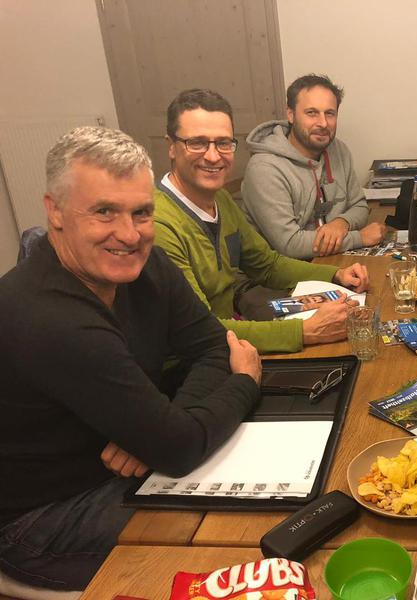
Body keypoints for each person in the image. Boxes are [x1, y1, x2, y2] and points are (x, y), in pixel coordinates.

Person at [0, 127, 263, 591]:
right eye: (104, 211)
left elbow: (209, 346)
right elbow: (180, 449)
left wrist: (158, 428)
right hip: (44, 519)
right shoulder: (51, 318)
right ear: (54, 211)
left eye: (141, 212)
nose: (129, 234)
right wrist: (244, 382)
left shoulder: (145, 264)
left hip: (133, 464)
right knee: (248, 532)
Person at [154, 89, 370, 354]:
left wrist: (336, 274)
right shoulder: (158, 226)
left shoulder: (220, 199)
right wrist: (305, 331)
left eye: (223, 143)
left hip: (227, 343)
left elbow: (268, 265)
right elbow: (199, 328)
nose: (213, 156)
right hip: (192, 361)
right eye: (197, 143)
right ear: (171, 146)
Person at [242, 74, 386, 259]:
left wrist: (341, 223)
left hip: (328, 261)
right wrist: (360, 238)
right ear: (291, 115)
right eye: (312, 113)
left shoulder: (339, 150)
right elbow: (290, 245)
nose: (323, 123)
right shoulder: (264, 168)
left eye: (329, 113)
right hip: (281, 273)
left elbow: (359, 206)